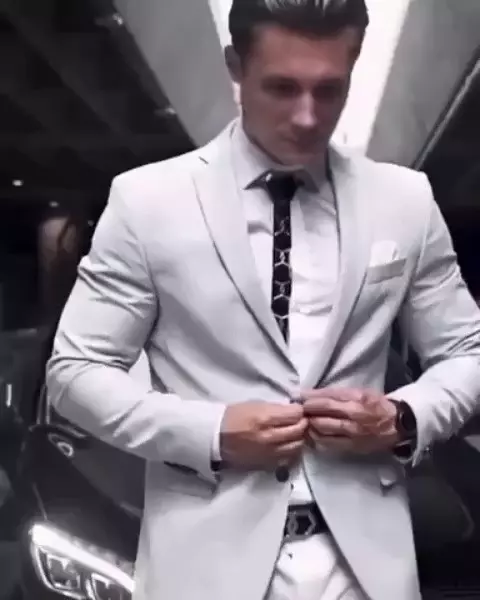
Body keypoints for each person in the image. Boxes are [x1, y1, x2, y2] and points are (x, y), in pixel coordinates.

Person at [46, 1, 480, 599]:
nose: (307, 116)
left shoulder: (404, 201)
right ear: (236, 66)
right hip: (205, 570)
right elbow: (75, 371)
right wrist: (211, 431)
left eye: (329, 90)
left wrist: (403, 418)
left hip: (365, 569)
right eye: (282, 88)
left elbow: (468, 352)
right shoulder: (147, 203)